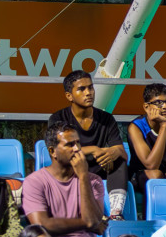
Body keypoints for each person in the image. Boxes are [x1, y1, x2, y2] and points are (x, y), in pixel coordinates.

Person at [48, 70, 130, 220]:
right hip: (73, 171)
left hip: (100, 169)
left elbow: (122, 152)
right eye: (82, 89)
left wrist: (114, 152)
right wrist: (94, 149)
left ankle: (116, 213)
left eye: (91, 87)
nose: (89, 92)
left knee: (119, 162)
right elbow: (59, 153)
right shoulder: (58, 118)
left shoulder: (106, 119)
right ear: (69, 96)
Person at [22, 125, 108, 237]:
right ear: (52, 151)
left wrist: (83, 177)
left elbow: (93, 220)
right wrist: (87, 223)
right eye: (70, 144)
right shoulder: (34, 182)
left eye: (78, 142)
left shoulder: (92, 180)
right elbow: (42, 225)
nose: (77, 149)